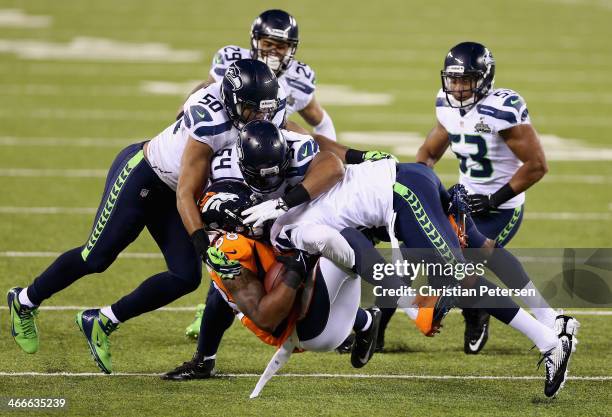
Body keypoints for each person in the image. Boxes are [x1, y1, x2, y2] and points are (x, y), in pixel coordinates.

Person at [7, 59, 286, 374]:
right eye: (253, 109)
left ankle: (102, 320)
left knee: (184, 277)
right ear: (233, 101)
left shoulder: (267, 113)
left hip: (177, 192)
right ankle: (25, 299)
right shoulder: (210, 121)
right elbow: (185, 191)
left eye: (265, 109)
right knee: (95, 258)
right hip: (144, 176)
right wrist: (200, 239)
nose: (261, 117)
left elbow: (295, 137)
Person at [263, 159, 578, 398]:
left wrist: (413, 306)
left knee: (459, 281)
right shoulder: (298, 188)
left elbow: (362, 255)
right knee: (477, 253)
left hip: (403, 196)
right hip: (409, 174)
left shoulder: (295, 232)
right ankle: (549, 318)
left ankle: (550, 342)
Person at [163, 180, 382, 386]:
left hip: (313, 315)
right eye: (246, 212)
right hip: (307, 330)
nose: (255, 215)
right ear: (227, 222)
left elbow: (221, 299)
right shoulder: (229, 249)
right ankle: (388, 277)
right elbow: (267, 318)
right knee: (336, 236)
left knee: (221, 293)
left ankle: (365, 320)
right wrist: (296, 270)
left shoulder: (229, 250)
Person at [410, 41, 551, 354]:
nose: (458, 88)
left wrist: (494, 199)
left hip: (502, 207)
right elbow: (428, 153)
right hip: (466, 202)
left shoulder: (502, 108)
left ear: (485, 79)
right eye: (454, 80)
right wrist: (422, 183)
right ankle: (479, 309)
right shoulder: (446, 106)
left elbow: (537, 165)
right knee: (443, 272)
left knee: (471, 265)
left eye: (466, 80)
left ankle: (543, 320)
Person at [193, 9, 336, 140]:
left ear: (291, 49)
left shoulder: (299, 78)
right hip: (221, 140)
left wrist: (329, 152)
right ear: (256, 42)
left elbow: (323, 122)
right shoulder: (231, 61)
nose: (273, 53)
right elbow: (205, 92)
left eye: (281, 47)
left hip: (266, 148)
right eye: (268, 44)